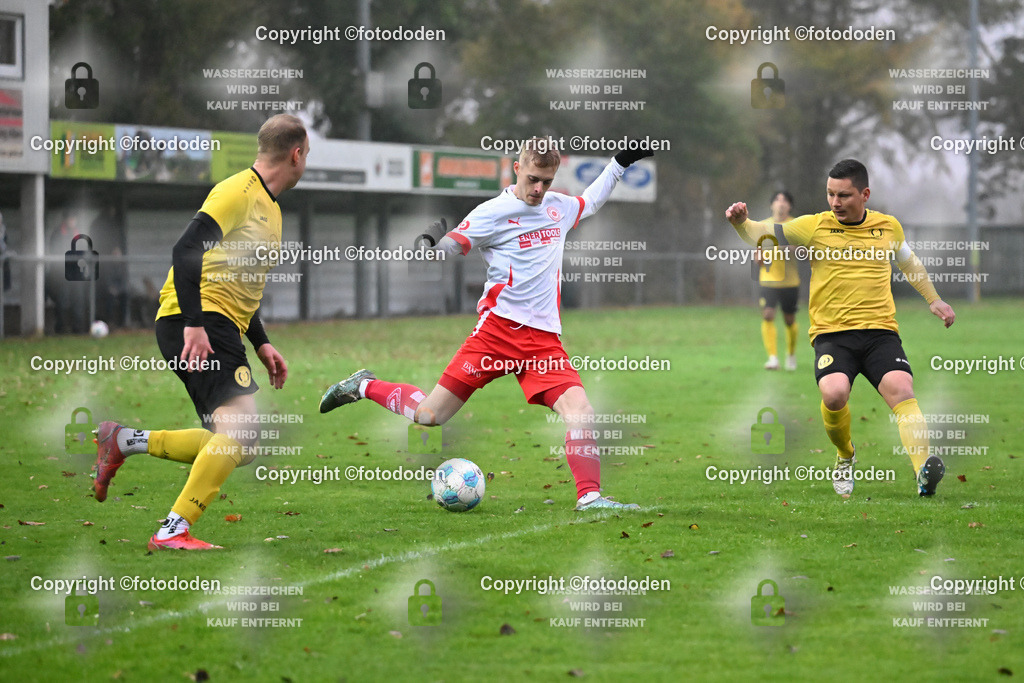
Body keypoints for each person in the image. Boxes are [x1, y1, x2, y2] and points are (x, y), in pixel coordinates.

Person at [320, 137, 651, 510]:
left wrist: (620, 162)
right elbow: (453, 245)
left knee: (581, 412)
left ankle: (589, 498)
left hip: (543, 342)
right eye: (532, 179)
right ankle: (363, 385)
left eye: (546, 180)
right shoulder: (492, 211)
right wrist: (430, 244)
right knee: (430, 415)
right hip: (496, 335)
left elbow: (590, 200)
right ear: (517, 168)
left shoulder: (557, 207)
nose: (539, 189)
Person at [92, 114, 309, 549]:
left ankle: (124, 440)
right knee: (239, 436)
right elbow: (186, 249)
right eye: (307, 156)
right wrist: (194, 324)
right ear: (296, 154)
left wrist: (261, 341)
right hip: (199, 321)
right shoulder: (237, 191)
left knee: (240, 446)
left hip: (217, 322)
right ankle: (173, 529)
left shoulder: (272, 208)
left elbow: (238, 283)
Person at [725, 159, 955, 497]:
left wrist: (933, 299)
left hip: (880, 332)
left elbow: (908, 261)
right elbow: (760, 234)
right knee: (834, 395)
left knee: (902, 389)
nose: (835, 202)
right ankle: (845, 456)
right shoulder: (813, 226)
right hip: (833, 335)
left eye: (844, 195)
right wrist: (740, 222)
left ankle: (923, 472)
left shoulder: (888, 227)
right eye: (831, 194)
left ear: (864, 194)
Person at [756, 190, 800, 371]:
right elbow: (757, 256)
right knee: (768, 314)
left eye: (785, 201)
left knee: (789, 319)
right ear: (771, 205)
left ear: (789, 206)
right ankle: (772, 358)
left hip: (790, 282)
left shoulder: (796, 225)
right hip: (768, 281)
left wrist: (789, 248)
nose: (781, 203)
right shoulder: (762, 226)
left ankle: (790, 354)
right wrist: (760, 257)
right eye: (777, 200)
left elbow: (803, 252)